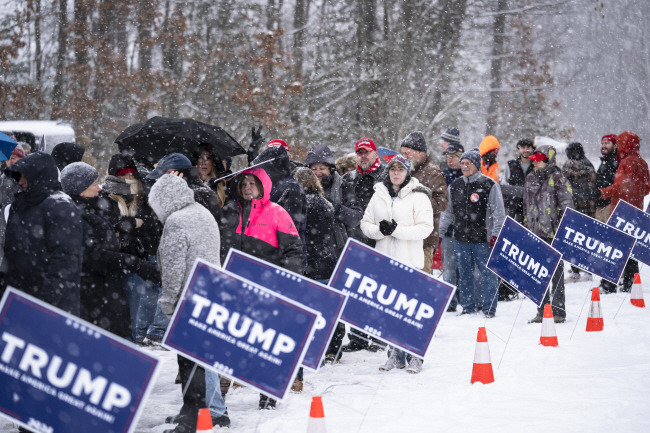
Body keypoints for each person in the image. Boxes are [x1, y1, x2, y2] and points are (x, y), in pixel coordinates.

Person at [147, 174, 228, 432]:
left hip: (187, 298)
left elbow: (173, 268)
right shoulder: (202, 212)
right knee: (199, 359)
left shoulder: (176, 221)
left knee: (189, 362)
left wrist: (169, 302)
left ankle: (192, 418)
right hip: (209, 294)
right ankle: (192, 411)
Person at [219, 168, 304, 409]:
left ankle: (267, 395)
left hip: (267, 290)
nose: (247, 187)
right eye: (243, 183)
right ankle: (219, 397)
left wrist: (285, 283)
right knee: (228, 342)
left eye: (252, 183)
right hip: (233, 289)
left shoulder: (277, 212)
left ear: (262, 186)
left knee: (264, 344)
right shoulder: (228, 211)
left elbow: (294, 251)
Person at [61, 162, 159, 339]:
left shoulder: (88, 209)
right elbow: (94, 257)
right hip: (94, 296)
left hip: (105, 292)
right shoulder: (75, 216)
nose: (99, 188)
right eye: (93, 184)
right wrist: (135, 263)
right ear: (81, 189)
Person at [361, 155, 433, 374]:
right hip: (385, 261)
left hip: (409, 262)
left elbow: (425, 228)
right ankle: (394, 355)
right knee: (390, 311)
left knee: (410, 312)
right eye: (392, 169)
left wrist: (397, 230)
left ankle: (415, 356)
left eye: (400, 169)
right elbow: (365, 224)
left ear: (407, 172)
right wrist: (379, 231)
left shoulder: (418, 196)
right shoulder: (379, 195)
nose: (396, 173)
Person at [0, 152, 82, 315]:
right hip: (19, 297)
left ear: (39, 176)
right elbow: (12, 254)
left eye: (25, 176)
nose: (20, 181)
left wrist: (44, 303)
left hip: (50, 305)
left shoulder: (59, 205)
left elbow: (64, 259)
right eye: (19, 177)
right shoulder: (20, 205)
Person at [304, 144, 361, 362]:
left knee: (333, 300)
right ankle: (312, 344)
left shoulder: (343, 186)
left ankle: (333, 347)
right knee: (309, 300)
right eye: (314, 168)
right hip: (308, 250)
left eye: (323, 168)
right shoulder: (299, 187)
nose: (319, 173)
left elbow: (356, 216)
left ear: (331, 168)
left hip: (335, 249)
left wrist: (335, 209)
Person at [101, 154, 163, 344]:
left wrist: (127, 225)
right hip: (112, 261)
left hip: (136, 260)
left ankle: (133, 343)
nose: (129, 177)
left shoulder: (142, 198)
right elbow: (108, 224)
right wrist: (131, 223)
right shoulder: (105, 197)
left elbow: (150, 226)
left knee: (134, 309)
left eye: (131, 173)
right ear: (114, 175)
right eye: (123, 174)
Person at [439, 148, 505, 317]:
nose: (464, 166)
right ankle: (468, 307)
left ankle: (489, 308)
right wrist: (438, 233)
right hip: (460, 238)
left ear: (477, 165)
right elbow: (448, 213)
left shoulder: (490, 185)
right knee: (465, 274)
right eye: (462, 163)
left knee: (487, 274)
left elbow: (499, 214)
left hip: (483, 238)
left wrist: (496, 235)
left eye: (468, 163)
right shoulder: (455, 185)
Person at [340, 138, 388, 352]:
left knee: (380, 290)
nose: (363, 156)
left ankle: (379, 336)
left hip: (382, 238)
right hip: (357, 238)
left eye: (367, 152)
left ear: (375, 154)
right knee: (358, 289)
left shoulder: (389, 174)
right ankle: (358, 337)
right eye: (360, 153)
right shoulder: (348, 179)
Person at [524, 145, 573, 323]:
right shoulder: (530, 178)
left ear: (548, 160)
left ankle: (559, 311)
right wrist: (526, 224)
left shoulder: (559, 178)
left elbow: (567, 206)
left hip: (554, 233)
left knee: (556, 273)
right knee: (538, 272)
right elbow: (526, 204)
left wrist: (561, 228)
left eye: (539, 159)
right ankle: (542, 310)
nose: (535, 162)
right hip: (535, 232)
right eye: (534, 159)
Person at [599, 131, 650, 292]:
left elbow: (621, 186)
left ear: (626, 145)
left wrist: (602, 192)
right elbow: (647, 188)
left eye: (620, 144)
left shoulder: (627, 162)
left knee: (614, 247)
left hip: (621, 209)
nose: (618, 147)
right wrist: (636, 197)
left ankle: (608, 284)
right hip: (635, 210)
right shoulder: (642, 162)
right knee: (630, 249)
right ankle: (630, 283)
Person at [399, 131, 448, 273]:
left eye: (407, 153)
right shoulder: (406, 170)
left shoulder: (433, 173)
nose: (404, 157)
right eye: (402, 153)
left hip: (424, 239)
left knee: (421, 281)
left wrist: (418, 203)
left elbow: (442, 202)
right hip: (404, 236)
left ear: (420, 153)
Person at [147, 153, 222, 223]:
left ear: (175, 173)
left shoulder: (196, 196)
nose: (158, 180)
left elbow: (170, 228)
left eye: (162, 175)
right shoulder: (198, 192)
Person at [563, 142, 597, 283]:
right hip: (589, 207)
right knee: (586, 240)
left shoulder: (568, 165)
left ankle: (575, 270)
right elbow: (593, 183)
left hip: (574, 206)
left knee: (572, 240)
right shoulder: (589, 165)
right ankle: (587, 270)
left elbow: (563, 180)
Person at [440, 142, 464, 312]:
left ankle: (466, 298)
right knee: (448, 268)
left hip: (468, 229)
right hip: (448, 230)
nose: (450, 160)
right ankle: (450, 302)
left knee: (466, 267)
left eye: (453, 157)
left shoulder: (469, 173)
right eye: (447, 157)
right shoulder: (442, 175)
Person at [594, 134, 619, 293]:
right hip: (601, 205)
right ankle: (606, 279)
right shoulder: (605, 161)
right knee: (603, 244)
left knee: (609, 244)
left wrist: (602, 193)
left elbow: (617, 185)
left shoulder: (616, 162)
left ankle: (609, 281)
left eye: (607, 143)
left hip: (610, 204)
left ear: (615, 145)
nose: (604, 145)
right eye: (602, 143)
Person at [500, 138, 535, 223]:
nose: (526, 150)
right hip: (513, 205)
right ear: (518, 149)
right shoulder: (511, 164)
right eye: (523, 147)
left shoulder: (536, 165)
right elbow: (504, 183)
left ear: (532, 149)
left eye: (528, 147)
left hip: (532, 206)